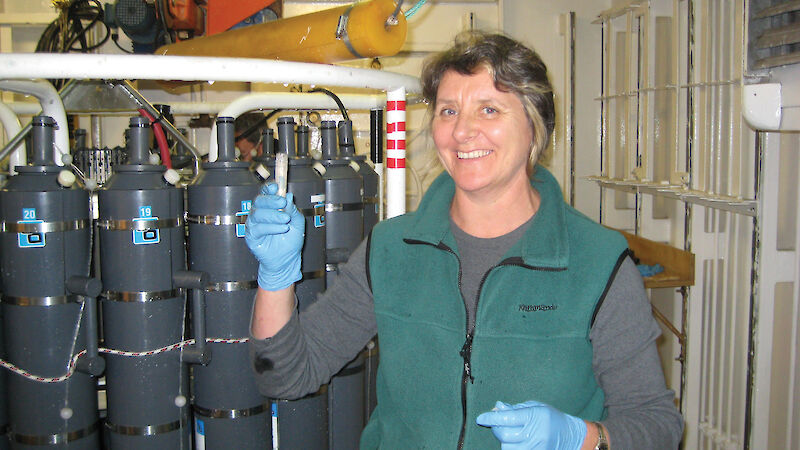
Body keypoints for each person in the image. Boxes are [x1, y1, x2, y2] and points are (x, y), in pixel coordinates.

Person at [245, 31, 684, 449]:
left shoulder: (598, 264)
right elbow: (285, 377)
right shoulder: (391, 250)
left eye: (489, 109)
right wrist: (276, 277)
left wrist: (581, 438)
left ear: (534, 127)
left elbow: (656, 425)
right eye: (448, 110)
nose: (462, 132)